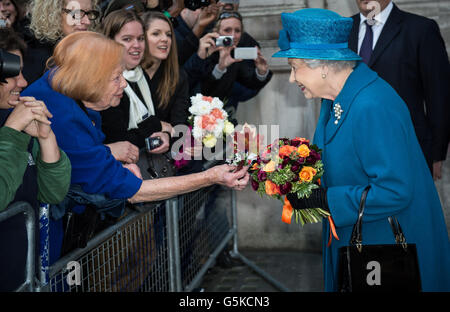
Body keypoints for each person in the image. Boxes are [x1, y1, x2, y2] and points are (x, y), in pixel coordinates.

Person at [21, 31, 249, 263]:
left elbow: (82, 156)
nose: (123, 84)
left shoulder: (64, 86)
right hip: (36, 239)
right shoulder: (64, 117)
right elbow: (136, 191)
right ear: (90, 78)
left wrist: (109, 157)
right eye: (116, 77)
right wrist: (210, 177)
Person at [272, 8, 450, 291]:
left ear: (324, 66)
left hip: (389, 249)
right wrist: (291, 174)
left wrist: (327, 200)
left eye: (295, 67)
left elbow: (395, 190)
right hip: (361, 241)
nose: (292, 78)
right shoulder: (334, 98)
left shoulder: (372, 105)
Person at [0, 27, 71, 291]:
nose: (22, 82)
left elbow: (54, 192)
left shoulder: (16, 120)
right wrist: (10, 133)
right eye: (10, 73)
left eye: (21, 71)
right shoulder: (12, 127)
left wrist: (46, 137)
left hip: (28, 274)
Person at [348, 0, 450, 179]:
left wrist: (436, 154)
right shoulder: (343, 29)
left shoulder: (420, 29)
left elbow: (439, 97)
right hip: (351, 150)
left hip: (406, 148)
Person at [100, 9, 173, 158]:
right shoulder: (103, 81)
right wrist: (158, 126)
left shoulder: (139, 74)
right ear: (110, 41)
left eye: (140, 38)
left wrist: (164, 135)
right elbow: (119, 140)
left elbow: (155, 120)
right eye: (127, 39)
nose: (137, 45)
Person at [184, 11, 272, 114]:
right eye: (227, 30)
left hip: (219, 114)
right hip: (191, 112)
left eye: (237, 31)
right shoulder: (204, 47)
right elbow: (196, 85)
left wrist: (261, 72)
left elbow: (249, 83)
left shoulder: (235, 54)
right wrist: (219, 68)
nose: (233, 35)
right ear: (216, 32)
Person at [22, 0, 100, 84]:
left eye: (89, 13)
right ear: (54, 13)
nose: (87, 21)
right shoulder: (36, 57)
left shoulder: (92, 51)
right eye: (76, 14)